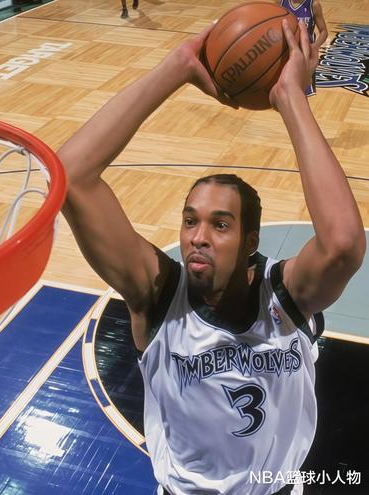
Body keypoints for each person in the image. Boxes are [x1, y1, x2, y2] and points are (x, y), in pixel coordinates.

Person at [58, 19, 365, 495]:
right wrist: (178, 65)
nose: (198, 237)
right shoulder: (158, 297)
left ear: (250, 242)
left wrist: (291, 98)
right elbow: (70, 176)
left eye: (220, 225)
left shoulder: (286, 298)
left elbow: (344, 243)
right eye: (189, 221)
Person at [278, 0, 328, 95]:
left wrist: (315, 47)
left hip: (305, 56)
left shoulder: (313, 5)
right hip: (285, 55)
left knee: (303, 93)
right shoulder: (281, 2)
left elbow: (324, 32)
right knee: (285, 93)